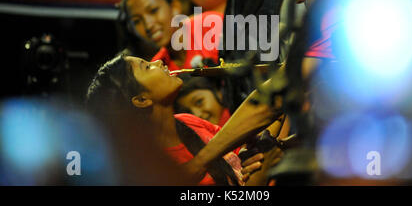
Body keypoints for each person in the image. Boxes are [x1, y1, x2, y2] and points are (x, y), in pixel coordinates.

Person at [86, 55, 282, 185]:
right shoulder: (157, 170)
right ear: (142, 100)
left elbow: (248, 150)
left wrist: (258, 154)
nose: (159, 62)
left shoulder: (187, 122)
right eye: (147, 66)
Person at [118, 0, 223, 70]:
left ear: (175, 7)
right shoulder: (158, 68)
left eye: (153, 11)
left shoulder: (211, 25)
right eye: (137, 21)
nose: (148, 25)